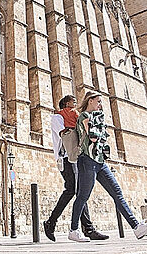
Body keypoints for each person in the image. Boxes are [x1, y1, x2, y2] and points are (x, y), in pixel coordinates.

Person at [69, 90, 147, 243]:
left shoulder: (95, 117)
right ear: (90, 101)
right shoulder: (85, 116)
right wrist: (100, 128)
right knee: (83, 196)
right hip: (87, 160)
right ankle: (74, 230)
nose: (100, 105)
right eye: (98, 101)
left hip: (99, 161)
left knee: (117, 192)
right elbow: (93, 136)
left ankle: (136, 227)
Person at [43, 95, 108, 242]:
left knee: (76, 190)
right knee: (76, 190)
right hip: (66, 158)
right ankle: (85, 228)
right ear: (66, 103)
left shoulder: (75, 116)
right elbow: (64, 134)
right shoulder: (57, 118)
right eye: (73, 102)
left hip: (77, 158)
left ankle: (53, 223)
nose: (75, 104)